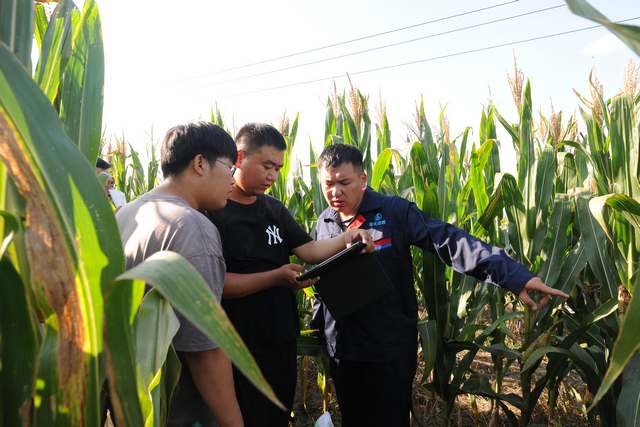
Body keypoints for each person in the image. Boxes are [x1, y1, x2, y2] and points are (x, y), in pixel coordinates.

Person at [310, 143, 570, 426]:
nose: (335, 192)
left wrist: (515, 276)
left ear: (362, 180)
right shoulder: (324, 223)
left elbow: (451, 241)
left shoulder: (394, 212)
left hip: (387, 350)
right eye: (328, 184)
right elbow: (321, 283)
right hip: (344, 351)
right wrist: (317, 331)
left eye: (344, 182)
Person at [204, 123, 373, 427]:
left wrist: (348, 238)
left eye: (278, 168)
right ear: (239, 157)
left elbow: (308, 249)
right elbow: (215, 283)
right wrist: (275, 277)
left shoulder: (273, 208)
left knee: (276, 414)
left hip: (279, 334)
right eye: (267, 165)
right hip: (236, 339)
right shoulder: (214, 210)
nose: (272, 176)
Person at [117, 121, 243, 427]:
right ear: (200, 163)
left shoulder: (128, 212)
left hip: (131, 400)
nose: (233, 180)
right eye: (231, 167)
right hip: (176, 408)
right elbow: (205, 350)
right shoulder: (191, 227)